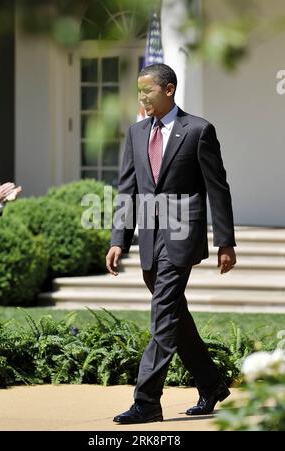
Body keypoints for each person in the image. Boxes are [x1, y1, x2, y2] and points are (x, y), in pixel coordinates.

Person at [106, 63, 237, 424]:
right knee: (174, 315)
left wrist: (225, 241)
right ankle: (212, 385)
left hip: (182, 238)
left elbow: (217, 187)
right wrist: (120, 239)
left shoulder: (198, 130)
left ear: (169, 90)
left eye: (147, 90)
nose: (141, 97)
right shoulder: (135, 133)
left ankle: (147, 401)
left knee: (163, 314)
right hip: (149, 238)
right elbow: (127, 190)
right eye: (138, 91)